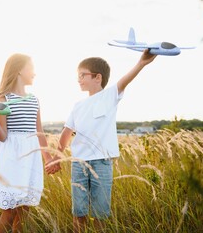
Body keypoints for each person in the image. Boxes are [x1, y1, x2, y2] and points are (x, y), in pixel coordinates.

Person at [55, 49, 157, 232]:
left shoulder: (109, 96)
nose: (78, 79)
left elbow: (125, 80)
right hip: (78, 163)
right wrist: (57, 156)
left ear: (97, 77)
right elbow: (66, 132)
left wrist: (141, 63)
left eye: (82, 75)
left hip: (102, 163)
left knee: (100, 212)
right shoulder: (77, 106)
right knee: (78, 212)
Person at [0, 53, 61, 233]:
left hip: (30, 156)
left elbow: (39, 131)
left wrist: (48, 158)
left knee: (24, 209)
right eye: (31, 68)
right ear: (18, 71)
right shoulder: (2, 100)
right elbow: (2, 136)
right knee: (9, 210)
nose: (34, 73)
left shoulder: (34, 99)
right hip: (11, 157)